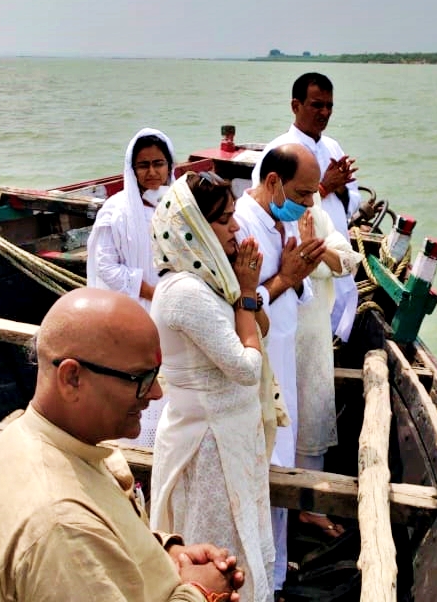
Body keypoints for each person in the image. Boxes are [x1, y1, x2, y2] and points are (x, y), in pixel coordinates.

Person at [0, 287, 245, 602]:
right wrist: (200, 593)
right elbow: (80, 545)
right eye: (139, 379)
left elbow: (103, 533)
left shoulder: (25, 438)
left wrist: (166, 553)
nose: (156, 393)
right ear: (72, 378)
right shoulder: (61, 529)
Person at [148, 171, 278, 602]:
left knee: (243, 544)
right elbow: (246, 366)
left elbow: (259, 326)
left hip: (232, 439)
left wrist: (245, 294)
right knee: (216, 559)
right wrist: (244, 291)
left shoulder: (210, 280)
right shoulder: (185, 292)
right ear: (196, 229)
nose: (236, 228)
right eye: (224, 221)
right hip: (208, 447)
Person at [233, 144, 326, 590]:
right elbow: (245, 306)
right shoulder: (243, 228)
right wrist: (286, 278)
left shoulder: (279, 219)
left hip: (281, 359)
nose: (308, 204)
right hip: (259, 363)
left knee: (282, 459)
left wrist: (298, 270)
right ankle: (259, 579)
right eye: (303, 193)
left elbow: (295, 291)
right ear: (272, 183)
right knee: (265, 465)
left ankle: (274, 573)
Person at [87, 127, 178, 447]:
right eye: (144, 165)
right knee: (139, 379)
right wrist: (151, 292)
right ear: (132, 168)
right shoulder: (116, 209)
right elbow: (106, 266)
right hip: (136, 308)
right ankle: (137, 448)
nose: (152, 172)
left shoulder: (180, 205)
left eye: (158, 163)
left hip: (175, 308)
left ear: (169, 165)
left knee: (173, 384)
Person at [253, 72, 361, 341]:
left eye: (329, 106)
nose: (324, 112)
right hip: (299, 258)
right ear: (295, 106)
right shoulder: (278, 151)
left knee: (331, 327)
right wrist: (323, 187)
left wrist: (340, 188)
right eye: (316, 105)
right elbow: (270, 205)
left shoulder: (333, 146)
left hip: (333, 247)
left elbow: (353, 201)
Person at [292, 207, 362, 539]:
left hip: (313, 337)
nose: (306, 199)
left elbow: (347, 262)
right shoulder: (257, 221)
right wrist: (315, 256)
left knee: (311, 416)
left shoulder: (317, 217)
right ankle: (281, 507)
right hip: (277, 338)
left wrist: (315, 249)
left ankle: (311, 507)